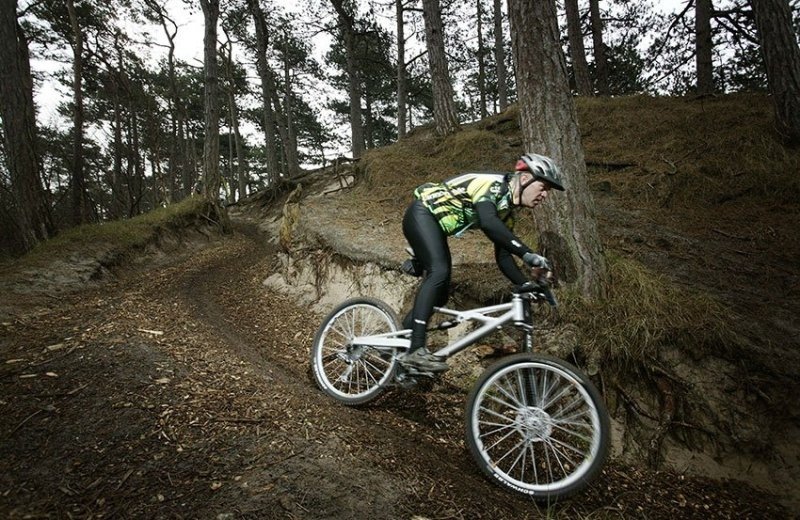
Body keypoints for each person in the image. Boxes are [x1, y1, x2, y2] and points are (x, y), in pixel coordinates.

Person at [399, 153, 566, 373]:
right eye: (543, 187)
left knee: (440, 293)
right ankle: (415, 350)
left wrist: (525, 284)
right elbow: (488, 223)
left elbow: (504, 256)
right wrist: (528, 254)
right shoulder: (494, 186)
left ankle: (402, 340)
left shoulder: (507, 211)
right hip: (422, 214)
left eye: (548, 192)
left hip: (436, 226)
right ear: (525, 179)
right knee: (439, 272)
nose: (544, 195)